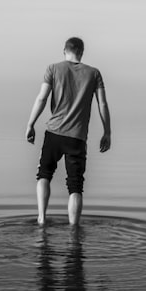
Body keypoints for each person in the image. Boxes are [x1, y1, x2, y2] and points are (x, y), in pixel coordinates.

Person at [26, 37, 111, 226]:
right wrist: (107, 132)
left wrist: (30, 124)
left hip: (54, 133)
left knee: (44, 175)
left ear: (64, 50)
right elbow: (102, 104)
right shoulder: (94, 73)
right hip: (77, 138)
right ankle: (74, 228)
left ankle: (41, 217)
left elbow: (41, 98)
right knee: (75, 187)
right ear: (81, 52)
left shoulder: (53, 69)